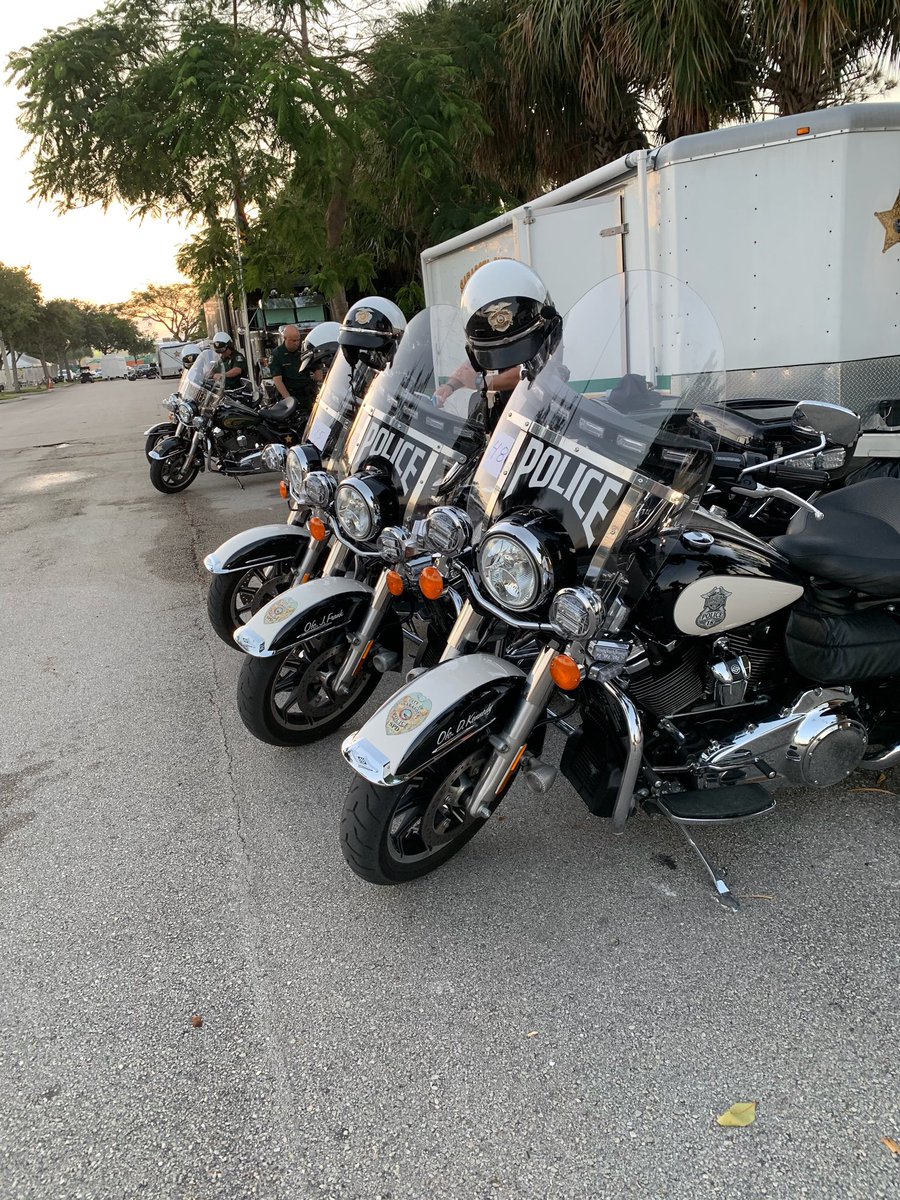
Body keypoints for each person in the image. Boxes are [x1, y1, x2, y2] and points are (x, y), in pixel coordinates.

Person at [435, 259, 561, 421]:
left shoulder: (535, 324)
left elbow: (528, 370)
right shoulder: (493, 332)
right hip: (509, 412)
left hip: (542, 412)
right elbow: (476, 362)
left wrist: (482, 382)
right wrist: (450, 386)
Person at [268, 323, 320, 413]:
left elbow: (317, 370)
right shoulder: (277, 354)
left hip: (306, 395)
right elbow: (277, 380)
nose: (297, 343)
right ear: (285, 339)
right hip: (289, 394)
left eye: (298, 340)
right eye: (293, 341)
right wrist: (289, 401)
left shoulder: (304, 350)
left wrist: (316, 385)